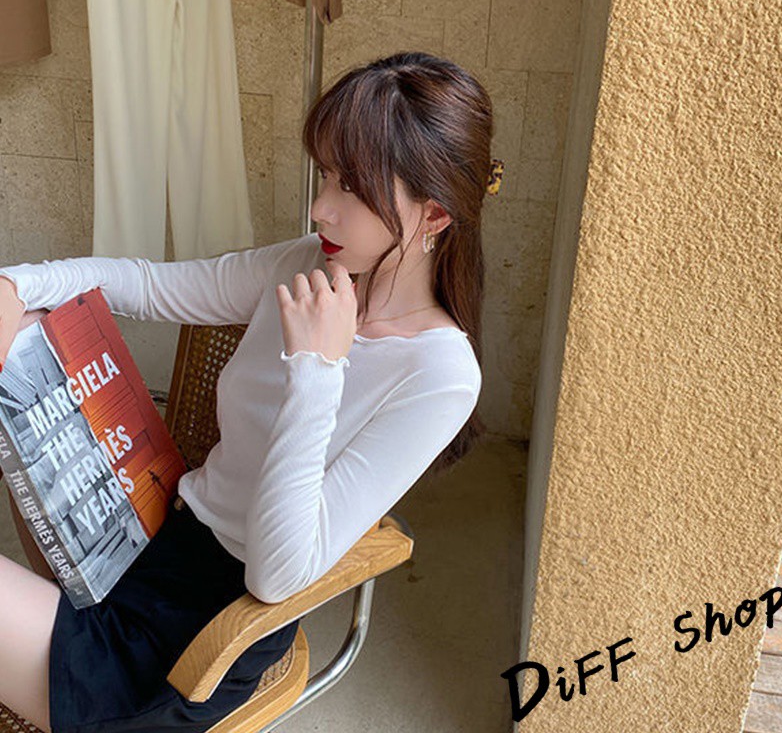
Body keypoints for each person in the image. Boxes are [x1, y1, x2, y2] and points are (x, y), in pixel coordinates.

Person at [0, 50, 498, 733]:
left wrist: (316, 370)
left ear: (434, 216)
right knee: (25, 328)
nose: (321, 208)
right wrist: (16, 284)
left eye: (352, 188)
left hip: (204, 636)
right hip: (147, 542)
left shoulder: (440, 375)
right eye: (326, 174)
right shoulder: (307, 263)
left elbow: (277, 574)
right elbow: (146, 285)